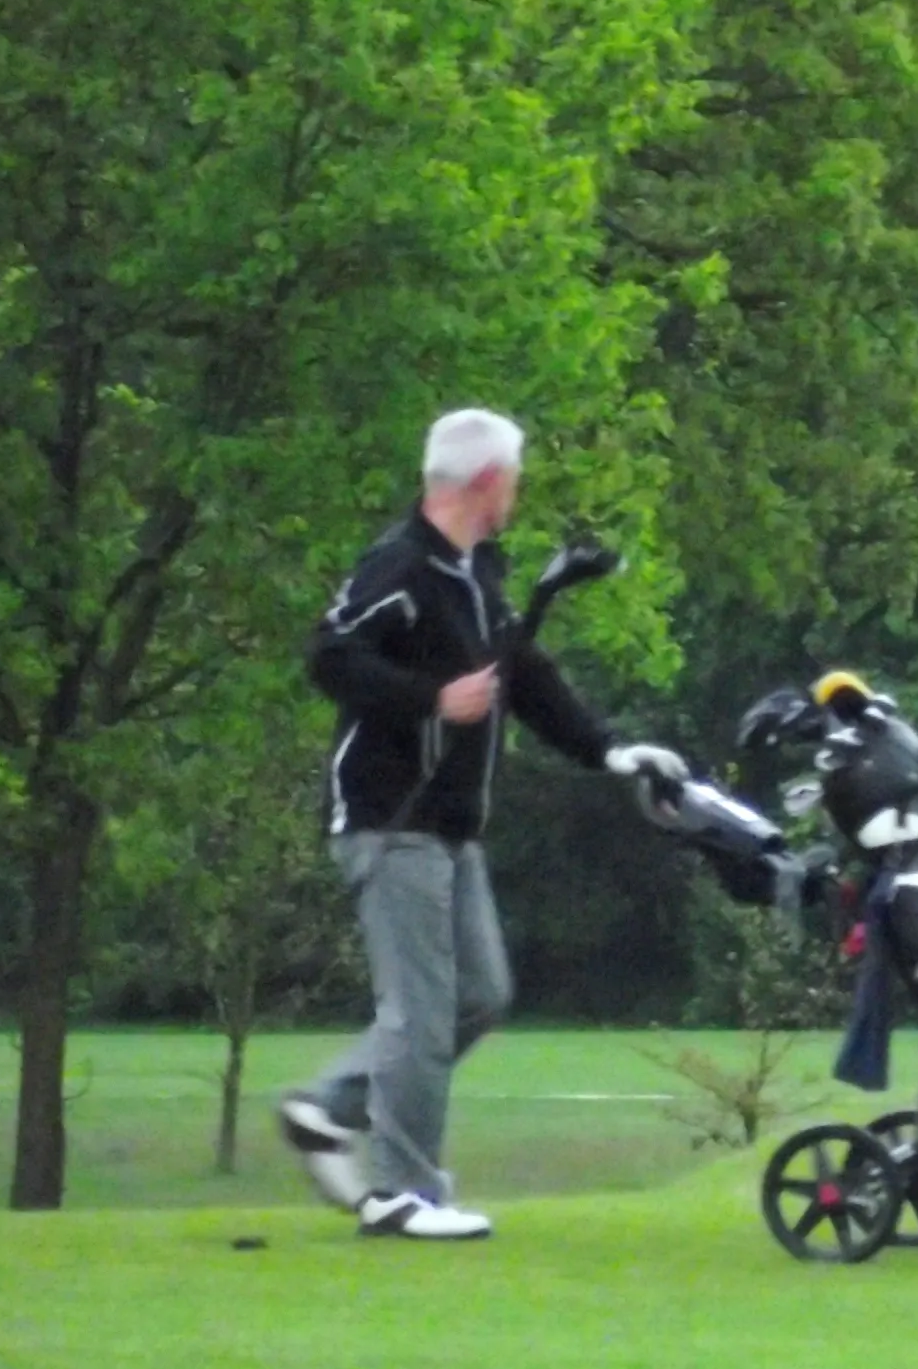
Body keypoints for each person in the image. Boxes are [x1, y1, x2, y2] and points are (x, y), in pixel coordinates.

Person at [275, 408, 688, 1240]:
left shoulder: (478, 576)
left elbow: (526, 679)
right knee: (420, 1012)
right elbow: (330, 655)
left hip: (451, 827)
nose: (520, 493)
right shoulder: (400, 568)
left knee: (480, 995)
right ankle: (404, 1194)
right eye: (517, 478)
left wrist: (610, 751)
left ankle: (328, 1108)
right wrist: (430, 699)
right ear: (488, 482)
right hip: (392, 820)